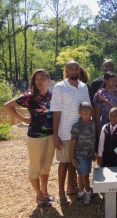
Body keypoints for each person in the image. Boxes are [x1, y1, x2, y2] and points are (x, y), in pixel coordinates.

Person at [4, 69, 55, 207]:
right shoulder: (29, 97)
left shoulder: (54, 96)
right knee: (35, 167)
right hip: (35, 137)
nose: (39, 81)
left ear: (48, 81)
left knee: (46, 167)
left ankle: (45, 192)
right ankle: (38, 195)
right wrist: (24, 120)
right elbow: (8, 106)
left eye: (43, 78)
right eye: (37, 78)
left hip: (51, 137)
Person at [50, 60, 91, 205]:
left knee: (75, 162)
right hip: (65, 132)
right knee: (64, 163)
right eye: (71, 68)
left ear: (79, 70)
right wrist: (56, 134)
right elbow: (56, 112)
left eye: (76, 68)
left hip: (81, 132)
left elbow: (87, 110)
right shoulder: (60, 87)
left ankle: (70, 188)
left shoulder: (83, 87)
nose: (74, 70)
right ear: (66, 70)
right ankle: (61, 192)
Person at [70, 102, 95, 205]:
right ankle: (88, 193)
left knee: (82, 174)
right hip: (81, 156)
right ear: (79, 112)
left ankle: (81, 192)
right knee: (85, 176)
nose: (88, 115)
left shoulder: (92, 124)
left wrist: (93, 153)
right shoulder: (76, 126)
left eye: (90, 113)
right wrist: (72, 157)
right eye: (85, 113)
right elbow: (72, 143)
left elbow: (93, 139)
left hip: (89, 155)